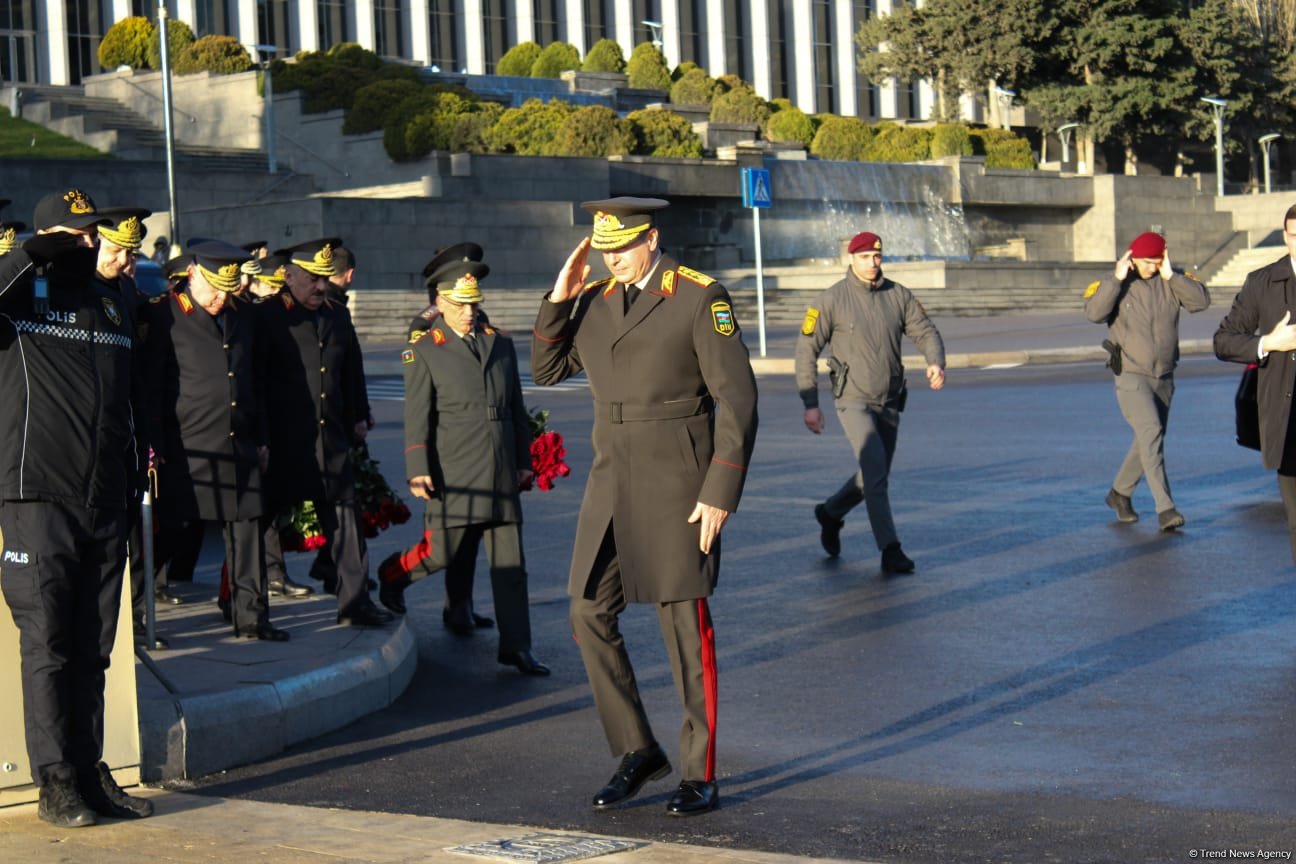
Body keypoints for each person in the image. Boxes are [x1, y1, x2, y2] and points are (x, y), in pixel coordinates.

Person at [532, 197, 759, 816]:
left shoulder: (697, 296)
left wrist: (720, 490)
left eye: (623, 248)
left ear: (650, 238)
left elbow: (736, 401)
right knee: (586, 613)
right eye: (605, 251)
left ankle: (698, 772)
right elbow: (548, 368)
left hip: (679, 481)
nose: (614, 259)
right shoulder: (596, 301)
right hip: (611, 483)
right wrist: (561, 294)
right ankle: (638, 749)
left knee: (685, 628)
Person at [0, 188, 154, 827]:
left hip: (103, 497)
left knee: (95, 646)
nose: (93, 242)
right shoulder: (18, 295)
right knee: (49, 643)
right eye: (81, 233)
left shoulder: (110, 300)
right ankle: (55, 779)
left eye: (95, 232)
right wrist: (31, 256)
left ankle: (90, 771)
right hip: (38, 495)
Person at [377, 254, 547, 673]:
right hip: (453, 470)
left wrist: (524, 461)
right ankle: (393, 575)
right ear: (441, 300)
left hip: (500, 468)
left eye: (474, 303)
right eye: (460, 304)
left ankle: (517, 646)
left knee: (511, 565)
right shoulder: (425, 350)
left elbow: (516, 409)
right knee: (443, 553)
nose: (470, 312)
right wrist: (418, 467)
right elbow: (418, 413)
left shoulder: (500, 343)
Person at [143, 239, 288, 641]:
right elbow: (151, 388)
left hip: (237, 442)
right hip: (185, 448)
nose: (222, 298)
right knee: (168, 533)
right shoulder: (164, 315)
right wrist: (152, 446)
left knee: (246, 534)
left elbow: (252, 380)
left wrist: (261, 437)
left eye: (229, 289)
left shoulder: (241, 315)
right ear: (193, 275)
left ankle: (251, 618)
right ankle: (141, 617)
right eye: (214, 288)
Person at [261, 238, 392, 627]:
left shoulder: (337, 315)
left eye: (323, 278)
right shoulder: (266, 316)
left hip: (329, 439)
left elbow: (351, 369)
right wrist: (260, 437)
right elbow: (252, 382)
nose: (320, 287)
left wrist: (359, 413)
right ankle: (248, 608)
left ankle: (354, 603)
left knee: (346, 520)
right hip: (283, 443)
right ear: (288, 276)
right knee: (257, 523)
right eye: (311, 279)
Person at [796, 231, 945, 572]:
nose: (872, 263)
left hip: (890, 400)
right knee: (876, 473)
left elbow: (925, 331)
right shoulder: (831, 299)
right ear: (852, 259)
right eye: (864, 257)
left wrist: (935, 361)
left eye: (877, 256)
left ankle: (830, 512)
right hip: (853, 399)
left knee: (871, 477)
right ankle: (890, 549)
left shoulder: (899, 295)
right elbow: (806, 349)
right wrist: (810, 402)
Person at [1086, 231, 1209, 530]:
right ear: (1133, 258)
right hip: (1130, 373)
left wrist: (1173, 277)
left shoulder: (1173, 279)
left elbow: (1201, 302)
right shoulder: (1114, 281)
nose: (1152, 267)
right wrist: (1116, 279)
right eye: (1147, 262)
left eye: (1157, 261)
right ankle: (1166, 509)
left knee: (1148, 441)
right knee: (1151, 431)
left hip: (1164, 374)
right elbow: (1094, 313)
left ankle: (1119, 493)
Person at [1215, 203, 1296, 558]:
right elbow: (1225, 340)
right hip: (1288, 415)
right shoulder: (1263, 283)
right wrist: (1268, 343)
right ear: (1286, 236)